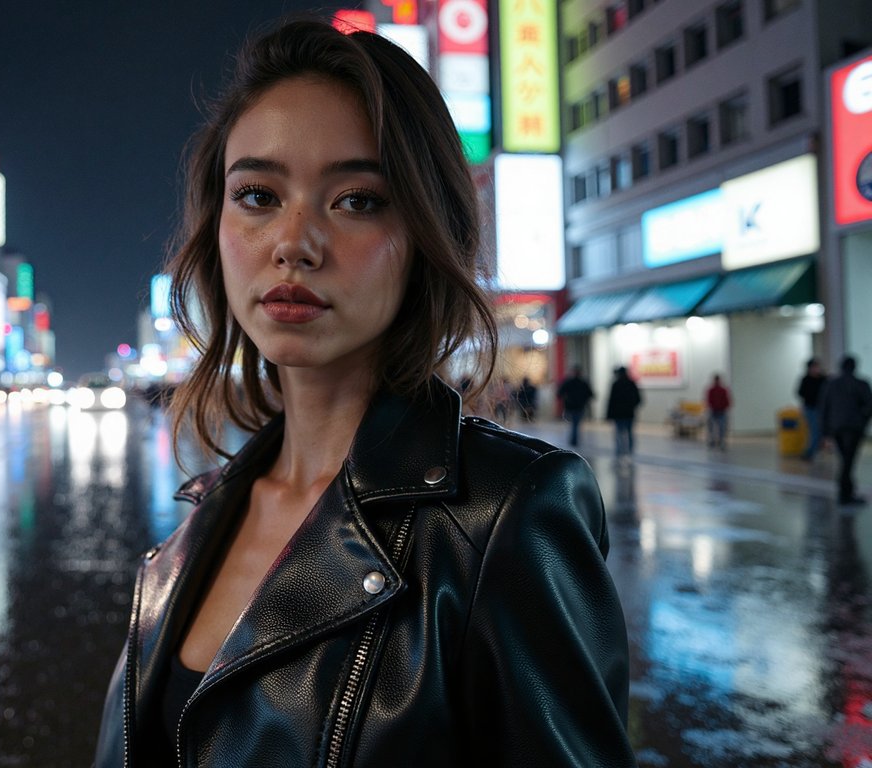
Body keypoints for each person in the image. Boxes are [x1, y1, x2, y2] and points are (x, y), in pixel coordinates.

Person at [93, 19, 633, 766]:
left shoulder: (506, 515)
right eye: (256, 194)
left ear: (423, 232)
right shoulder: (203, 516)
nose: (294, 242)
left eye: (356, 200)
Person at [820, 355, 872, 506]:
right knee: (848, 462)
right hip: (853, 428)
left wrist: (825, 432)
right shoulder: (860, 384)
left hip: (837, 428)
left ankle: (847, 492)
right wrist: (862, 421)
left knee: (846, 461)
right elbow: (869, 405)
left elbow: (824, 408)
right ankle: (845, 494)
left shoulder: (831, 384)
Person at [606, 366, 642, 460]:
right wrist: (632, 406)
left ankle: (619, 450)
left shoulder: (616, 384)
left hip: (618, 414)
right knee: (629, 432)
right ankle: (629, 451)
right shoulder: (631, 383)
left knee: (619, 432)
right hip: (629, 413)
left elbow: (611, 401)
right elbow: (638, 399)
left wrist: (609, 415)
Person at [556, 365, 594, 447]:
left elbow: (559, 393)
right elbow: (590, 394)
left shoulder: (569, 382)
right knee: (576, 424)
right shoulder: (583, 382)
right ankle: (574, 440)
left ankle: (573, 440)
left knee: (574, 424)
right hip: (579, 406)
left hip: (571, 406)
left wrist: (566, 399)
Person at [797, 358, 826, 461]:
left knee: (819, 431)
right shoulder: (806, 379)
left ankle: (814, 449)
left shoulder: (823, 379)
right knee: (815, 430)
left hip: (821, 408)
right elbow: (800, 392)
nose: (816, 369)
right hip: (810, 408)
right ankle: (809, 452)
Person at [705, 374, 732, 450]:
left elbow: (727, 400)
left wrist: (724, 407)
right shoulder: (711, 390)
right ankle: (712, 440)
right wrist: (711, 407)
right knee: (712, 427)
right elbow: (709, 400)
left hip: (721, 411)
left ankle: (721, 441)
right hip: (713, 411)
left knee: (722, 427)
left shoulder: (723, 390)